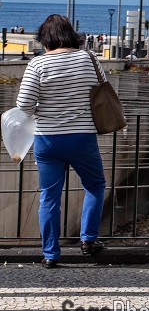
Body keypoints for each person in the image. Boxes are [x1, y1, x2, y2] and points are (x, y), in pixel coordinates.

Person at [15, 14, 107, 268]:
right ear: (71, 35)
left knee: (49, 197)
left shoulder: (37, 65)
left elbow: (23, 105)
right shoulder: (89, 59)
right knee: (95, 185)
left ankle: (51, 254)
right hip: (82, 137)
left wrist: (43, 110)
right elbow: (103, 89)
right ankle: (88, 239)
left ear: (45, 39)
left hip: (47, 139)